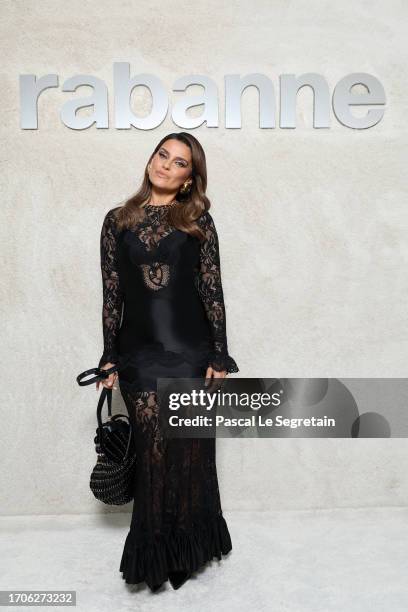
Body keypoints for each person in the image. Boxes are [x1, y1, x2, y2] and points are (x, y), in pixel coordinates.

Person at [95, 132, 239, 592]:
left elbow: (211, 289)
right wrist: (109, 356)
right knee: (155, 456)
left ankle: (191, 549)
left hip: (191, 351)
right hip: (139, 352)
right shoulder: (116, 221)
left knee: (192, 452)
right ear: (152, 160)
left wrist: (219, 352)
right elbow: (112, 294)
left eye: (178, 163)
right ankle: (155, 555)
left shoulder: (198, 220)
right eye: (163, 155)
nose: (165, 165)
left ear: (186, 180)